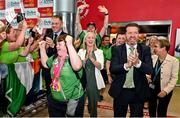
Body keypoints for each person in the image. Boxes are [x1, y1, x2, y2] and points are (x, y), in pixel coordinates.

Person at [109, 23, 153, 117]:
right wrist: (127, 65)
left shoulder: (145, 49)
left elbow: (150, 70)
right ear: (125, 34)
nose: (132, 35)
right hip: (121, 91)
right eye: (130, 33)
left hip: (138, 92)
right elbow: (113, 68)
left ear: (138, 34)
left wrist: (138, 63)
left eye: (135, 32)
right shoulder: (117, 49)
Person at [39, 34, 84, 117]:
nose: (57, 46)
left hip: (72, 102)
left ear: (67, 45)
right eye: (56, 44)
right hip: (54, 101)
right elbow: (46, 64)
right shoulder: (55, 58)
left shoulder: (74, 58)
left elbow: (77, 67)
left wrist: (70, 45)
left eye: (60, 44)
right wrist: (42, 49)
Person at [148, 38, 179, 117]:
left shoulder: (174, 61)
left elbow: (174, 78)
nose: (154, 48)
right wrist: (147, 76)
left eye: (156, 46)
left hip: (165, 90)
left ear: (164, 48)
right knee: (151, 108)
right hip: (152, 88)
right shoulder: (153, 58)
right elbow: (148, 71)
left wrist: (165, 91)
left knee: (162, 110)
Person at [78, 32, 105, 117]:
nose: (90, 39)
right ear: (85, 40)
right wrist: (85, 60)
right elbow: (77, 67)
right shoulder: (80, 51)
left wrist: (92, 59)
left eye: (92, 38)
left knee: (93, 104)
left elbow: (100, 67)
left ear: (95, 40)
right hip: (82, 80)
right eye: (88, 38)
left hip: (94, 80)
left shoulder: (99, 52)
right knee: (80, 103)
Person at [42, 15, 67, 96]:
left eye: (56, 23)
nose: (54, 26)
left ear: (61, 24)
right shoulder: (47, 35)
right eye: (52, 23)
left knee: (60, 92)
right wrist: (44, 48)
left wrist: (53, 46)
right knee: (49, 92)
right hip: (48, 69)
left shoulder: (66, 36)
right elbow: (42, 53)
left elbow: (67, 53)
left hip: (61, 70)